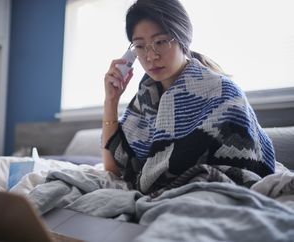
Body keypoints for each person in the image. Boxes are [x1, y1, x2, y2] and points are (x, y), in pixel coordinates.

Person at [102, 0, 275, 194]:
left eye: (160, 42)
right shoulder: (145, 100)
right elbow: (113, 169)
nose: (150, 57)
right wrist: (111, 100)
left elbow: (246, 170)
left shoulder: (224, 93)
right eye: (140, 46)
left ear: (183, 38)